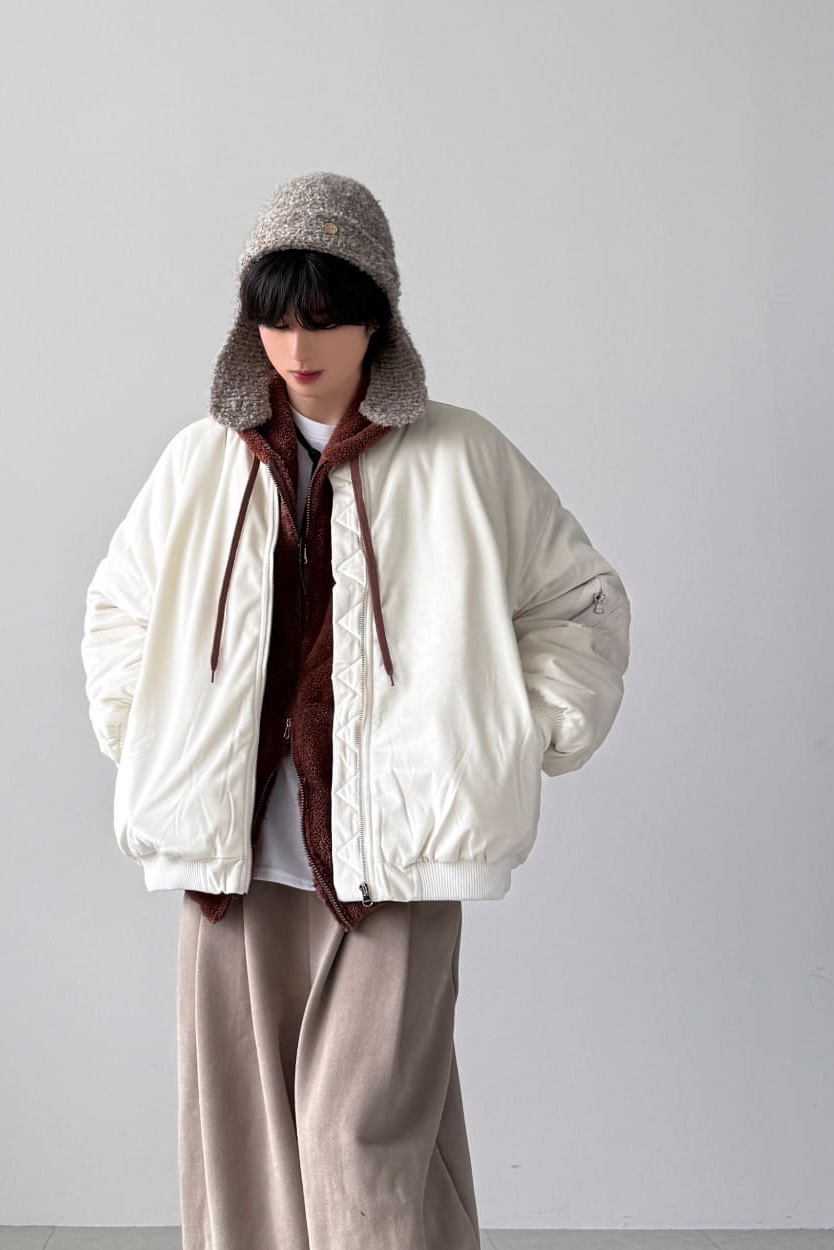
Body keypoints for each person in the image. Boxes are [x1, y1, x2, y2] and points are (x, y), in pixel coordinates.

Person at [80, 171, 631, 1250]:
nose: (297, 346)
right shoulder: (199, 462)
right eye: (274, 317)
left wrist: (513, 735)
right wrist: (147, 735)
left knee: (360, 1143)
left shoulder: (462, 456)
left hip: (400, 860)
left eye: (325, 316)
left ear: (377, 316)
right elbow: (118, 611)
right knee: (244, 1153)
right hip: (231, 865)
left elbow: (580, 601)